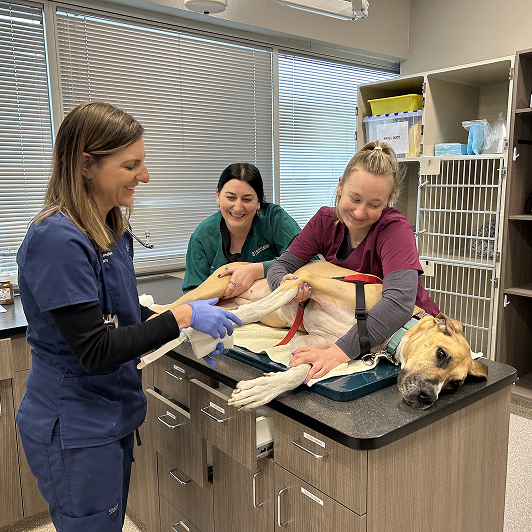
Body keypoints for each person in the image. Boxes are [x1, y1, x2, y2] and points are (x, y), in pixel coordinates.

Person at [15, 101, 242, 532]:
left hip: (111, 411)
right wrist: (178, 317)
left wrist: (186, 321)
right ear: (86, 165)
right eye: (131, 164)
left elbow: (120, 313)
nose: (145, 175)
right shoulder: (57, 240)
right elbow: (95, 349)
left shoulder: (111, 227)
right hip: (75, 422)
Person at [267, 140, 440, 383]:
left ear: (389, 201)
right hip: (349, 327)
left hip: (406, 332)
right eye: (354, 198)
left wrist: (338, 353)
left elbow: (399, 303)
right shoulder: (324, 222)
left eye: (374, 205)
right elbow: (280, 266)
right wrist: (285, 288)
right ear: (340, 186)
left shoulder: (394, 230)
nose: (360, 213)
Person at [182, 162, 301, 297]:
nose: (238, 208)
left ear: (258, 202)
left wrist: (257, 270)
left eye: (247, 199)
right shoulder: (202, 238)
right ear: (218, 196)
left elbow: (307, 258)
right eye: (231, 198)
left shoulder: (274, 219)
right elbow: (191, 293)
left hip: (274, 304)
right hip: (223, 310)